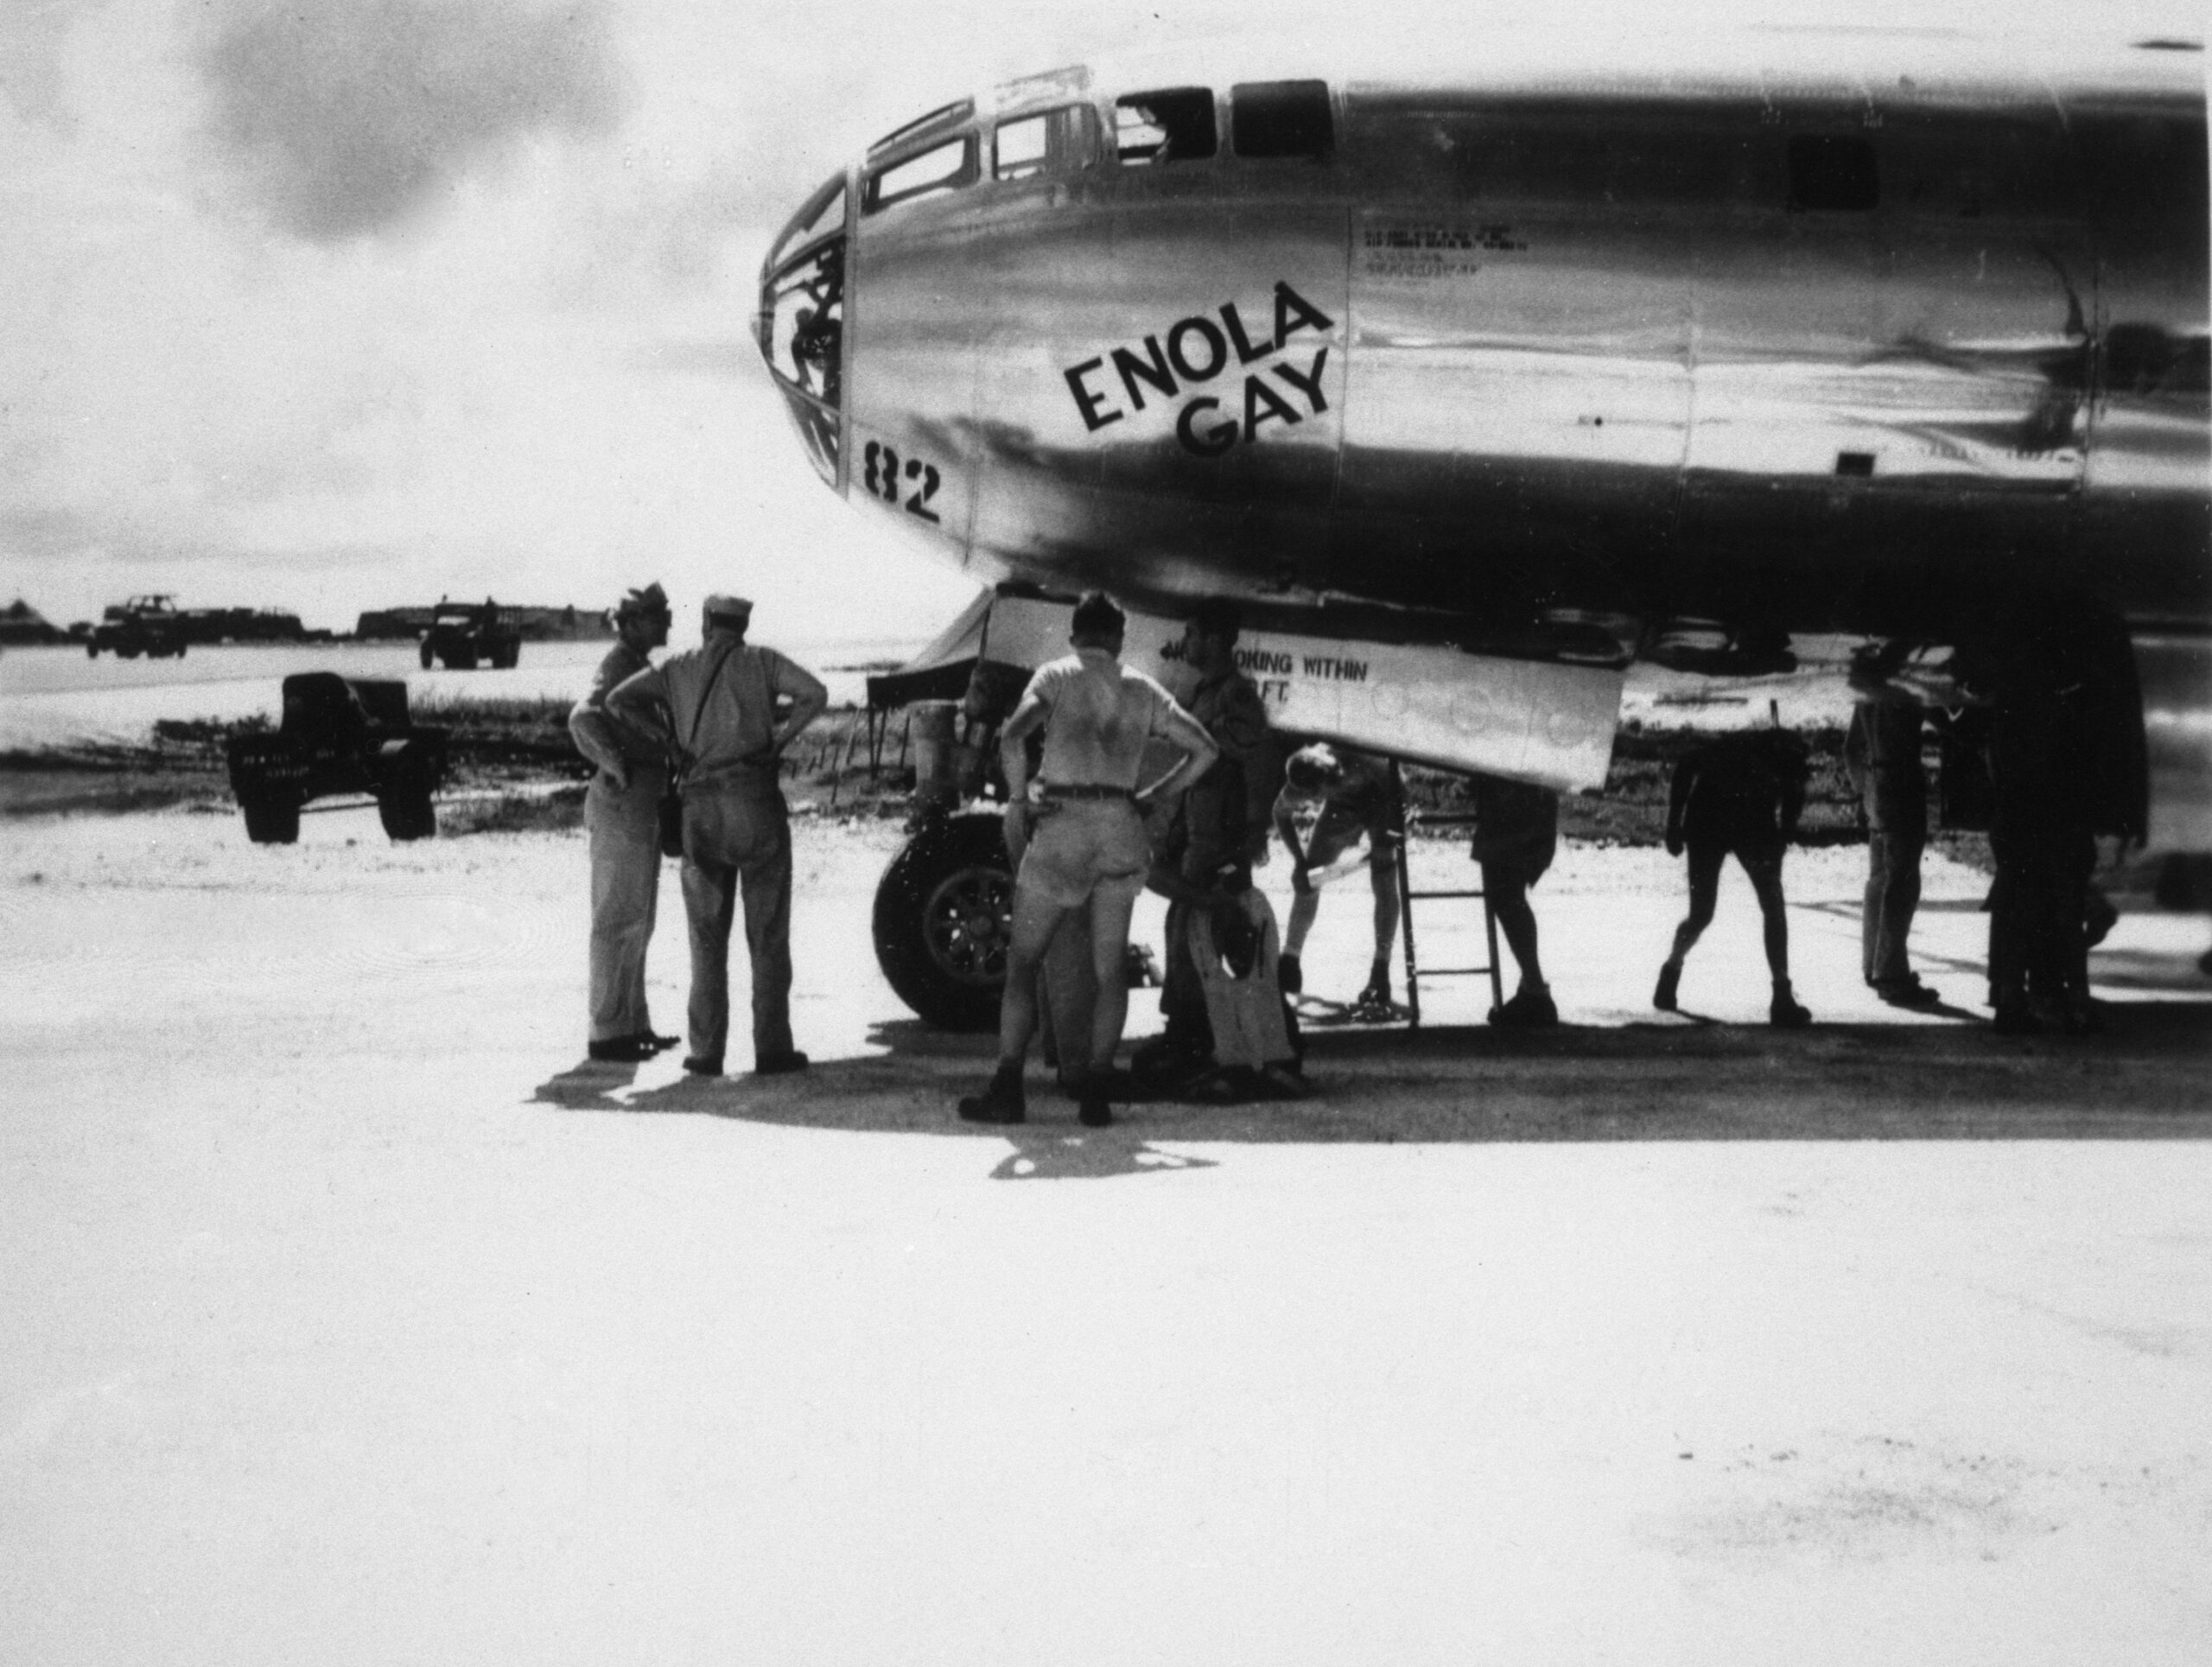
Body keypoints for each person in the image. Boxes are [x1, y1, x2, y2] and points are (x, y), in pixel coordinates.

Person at [957, 591, 1218, 1129]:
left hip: (1064, 826)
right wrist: (1155, 796)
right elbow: (1206, 749)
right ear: (1119, 639)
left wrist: (1018, 798)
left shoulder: (1055, 676)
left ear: (1074, 634)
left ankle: (1008, 1087)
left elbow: (1014, 734)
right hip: (1120, 829)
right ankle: (1096, 1089)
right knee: (1109, 973)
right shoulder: (1142, 689)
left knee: (1025, 962)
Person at [607, 594, 827, 1077]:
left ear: (707, 622)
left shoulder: (677, 666)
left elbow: (617, 701)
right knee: (768, 935)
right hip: (756, 803)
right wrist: (780, 740)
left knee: (705, 938)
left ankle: (706, 1052)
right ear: (743, 624)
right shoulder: (763, 661)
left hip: (700, 810)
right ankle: (772, 1048)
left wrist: (668, 742)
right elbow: (816, 693)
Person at [1137, 598, 1296, 1091]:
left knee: (1204, 941)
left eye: (1193, 633)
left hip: (1218, 844)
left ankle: (1214, 1050)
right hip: (1198, 838)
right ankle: (1215, 1043)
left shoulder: (1235, 697)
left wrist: (1250, 834)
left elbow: (1260, 763)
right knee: (1190, 934)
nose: (1186, 643)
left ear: (1217, 640)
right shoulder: (1206, 693)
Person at [566, 582, 677, 1062]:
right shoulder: (616, 666)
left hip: (643, 801)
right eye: (656, 616)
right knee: (617, 917)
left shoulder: (634, 667)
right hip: (625, 801)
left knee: (639, 918)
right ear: (630, 624)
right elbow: (581, 719)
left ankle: (631, 1024)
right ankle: (608, 1032)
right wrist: (616, 766)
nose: (666, 622)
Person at [1653, 725, 1813, 1027]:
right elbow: (1794, 797)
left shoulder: (1735, 748)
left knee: (1704, 914)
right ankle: (1781, 996)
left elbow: (1687, 765)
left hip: (1717, 823)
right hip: (1722, 823)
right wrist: (1784, 835)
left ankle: (1671, 971)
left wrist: (1674, 824)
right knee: (1768, 908)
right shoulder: (1774, 761)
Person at [1273, 742, 1402, 1015]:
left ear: (1329, 781)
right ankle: (1290, 960)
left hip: (1384, 798)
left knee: (1384, 877)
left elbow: (1400, 789)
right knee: (1310, 878)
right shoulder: (1304, 776)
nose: (1312, 801)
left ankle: (1380, 971)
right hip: (1343, 805)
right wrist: (1299, 861)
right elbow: (1280, 813)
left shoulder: (1362, 763)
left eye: (1317, 795)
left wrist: (1388, 839)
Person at [1846, 646, 1941, 1007]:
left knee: (1879, 878)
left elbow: (1851, 748)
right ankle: (1891, 973)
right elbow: (1949, 722)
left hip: (1875, 783)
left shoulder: (1865, 700)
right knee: (1902, 882)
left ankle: (1874, 964)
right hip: (1902, 783)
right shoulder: (1907, 695)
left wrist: (1862, 792)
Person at [1468, 773, 1560, 1027]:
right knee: (1508, 895)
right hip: (1525, 795)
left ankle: (1534, 989)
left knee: (1507, 894)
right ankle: (1532, 987)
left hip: (1515, 798)